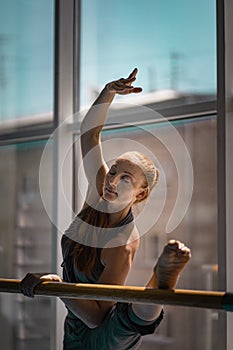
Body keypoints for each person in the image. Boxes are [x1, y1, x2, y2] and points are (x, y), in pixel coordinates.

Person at [20, 68, 191, 350]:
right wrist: (108, 92)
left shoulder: (123, 242)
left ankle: (160, 281)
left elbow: (97, 317)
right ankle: (158, 283)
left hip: (96, 331)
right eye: (113, 171)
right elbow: (89, 136)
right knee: (127, 321)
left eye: (125, 179)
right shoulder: (99, 191)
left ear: (141, 193)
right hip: (73, 326)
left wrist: (56, 285)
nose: (111, 181)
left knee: (126, 324)